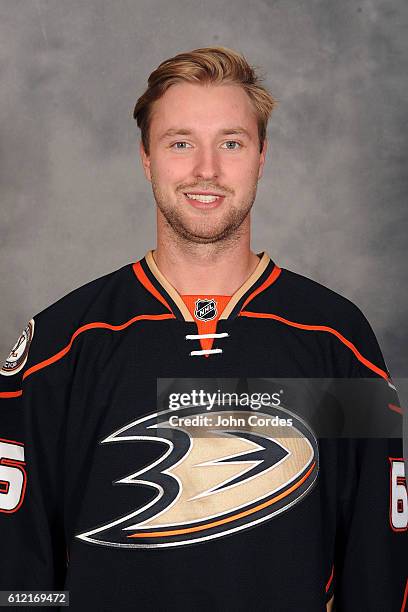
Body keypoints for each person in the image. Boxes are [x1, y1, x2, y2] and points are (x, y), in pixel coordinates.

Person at [0, 46, 406, 611]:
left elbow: (377, 554)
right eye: (181, 143)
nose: (206, 170)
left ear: (262, 155)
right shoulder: (62, 345)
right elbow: (16, 570)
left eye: (231, 143)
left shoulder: (334, 339)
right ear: (146, 157)